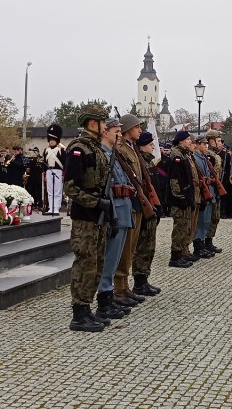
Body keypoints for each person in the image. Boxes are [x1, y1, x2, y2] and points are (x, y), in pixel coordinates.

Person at [62, 104, 113, 332]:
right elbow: (70, 188)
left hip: (98, 216)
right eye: (103, 121)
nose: (105, 125)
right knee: (85, 262)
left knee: (96, 262)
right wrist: (96, 202)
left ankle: (88, 309)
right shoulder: (78, 149)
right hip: (85, 216)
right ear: (93, 123)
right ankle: (79, 314)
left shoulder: (97, 148)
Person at [113, 115, 161, 306]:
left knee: (131, 247)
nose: (140, 130)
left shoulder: (131, 149)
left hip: (137, 203)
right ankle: (119, 289)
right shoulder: (121, 149)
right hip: (130, 203)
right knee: (125, 249)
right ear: (127, 129)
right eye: (136, 127)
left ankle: (125, 287)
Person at [95, 118, 137, 317]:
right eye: (116, 131)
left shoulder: (113, 154)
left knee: (116, 257)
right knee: (109, 257)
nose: (119, 135)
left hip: (123, 209)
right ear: (105, 132)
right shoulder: (102, 155)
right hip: (114, 211)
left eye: (120, 131)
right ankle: (104, 298)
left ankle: (109, 295)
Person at [134, 131, 163, 296]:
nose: (153, 146)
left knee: (149, 247)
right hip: (144, 210)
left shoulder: (149, 163)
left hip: (152, 208)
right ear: (141, 146)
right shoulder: (139, 163)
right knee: (142, 247)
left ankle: (144, 279)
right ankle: (139, 282)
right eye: (150, 144)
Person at [162, 130, 196, 268]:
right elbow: (174, 179)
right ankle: (174, 257)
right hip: (178, 198)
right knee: (179, 227)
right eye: (188, 139)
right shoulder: (176, 155)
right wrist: (180, 196)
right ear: (181, 141)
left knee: (185, 226)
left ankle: (182, 253)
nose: (190, 141)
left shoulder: (184, 154)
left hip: (185, 195)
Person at [193, 135, 218, 258]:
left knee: (206, 221)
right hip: (203, 193)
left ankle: (202, 244)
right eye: (203, 144)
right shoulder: (196, 158)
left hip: (209, 191)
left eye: (206, 144)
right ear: (196, 144)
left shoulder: (203, 158)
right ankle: (198, 247)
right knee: (201, 221)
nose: (205, 146)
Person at [206, 130, 227, 251]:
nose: (221, 143)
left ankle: (209, 241)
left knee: (215, 217)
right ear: (211, 141)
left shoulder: (217, 155)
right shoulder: (209, 156)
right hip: (211, 189)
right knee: (209, 217)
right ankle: (205, 242)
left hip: (216, 189)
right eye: (218, 141)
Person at [42, 124, 66, 216]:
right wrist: (44, 173)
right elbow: (44, 163)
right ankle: (51, 208)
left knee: (57, 191)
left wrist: (64, 174)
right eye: (50, 140)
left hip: (58, 171)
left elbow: (65, 163)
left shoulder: (61, 150)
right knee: (50, 191)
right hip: (49, 171)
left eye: (53, 140)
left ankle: (56, 208)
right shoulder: (46, 150)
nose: (51, 142)